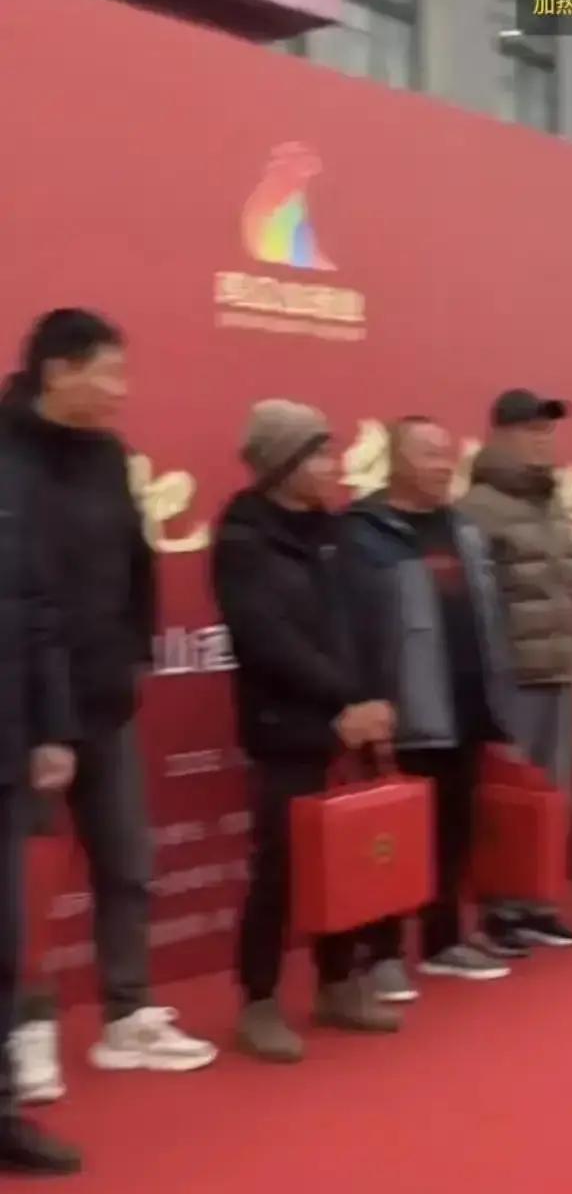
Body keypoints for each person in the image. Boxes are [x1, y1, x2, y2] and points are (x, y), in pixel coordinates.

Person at [0, 311, 214, 1093]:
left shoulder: (107, 456)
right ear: (58, 370)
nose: (122, 391)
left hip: (102, 699)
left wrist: (131, 655)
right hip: (21, 710)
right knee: (21, 880)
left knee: (126, 862)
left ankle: (129, 1013)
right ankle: (24, 1028)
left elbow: (135, 563)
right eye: (109, 373)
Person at [212, 401, 402, 1062]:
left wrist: (376, 699)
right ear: (283, 465)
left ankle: (338, 982)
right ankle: (259, 1001)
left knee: (348, 859)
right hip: (287, 725)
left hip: (352, 720)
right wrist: (342, 700)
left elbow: (368, 623)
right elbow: (267, 639)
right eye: (319, 454)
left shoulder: (337, 534)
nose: (332, 465)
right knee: (281, 866)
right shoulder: (242, 539)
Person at [340, 417, 518, 991]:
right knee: (388, 837)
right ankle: (381, 953)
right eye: (428, 455)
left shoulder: (463, 529)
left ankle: (443, 940)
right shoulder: (363, 532)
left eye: (447, 454)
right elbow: (349, 628)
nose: (443, 466)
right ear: (395, 461)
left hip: (463, 704)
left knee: (453, 831)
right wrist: (364, 698)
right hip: (400, 710)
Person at [463, 389, 572, 955]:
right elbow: (480, 603)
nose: (544, 441)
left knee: (549, 796)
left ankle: (538, 902)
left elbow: (569, 588)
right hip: (511, 676)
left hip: (556, 669)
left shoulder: (552, 502)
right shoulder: (478, 507)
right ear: (501, 435)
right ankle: (501, 909)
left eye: (548, 431)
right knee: (508, 800)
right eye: (532, 430)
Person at [0, 425, 82, 1174]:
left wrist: (53, 728)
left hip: (6, 752)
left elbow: (39, 617)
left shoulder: (11, 484)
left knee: (4, 943)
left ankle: (1, 1114)